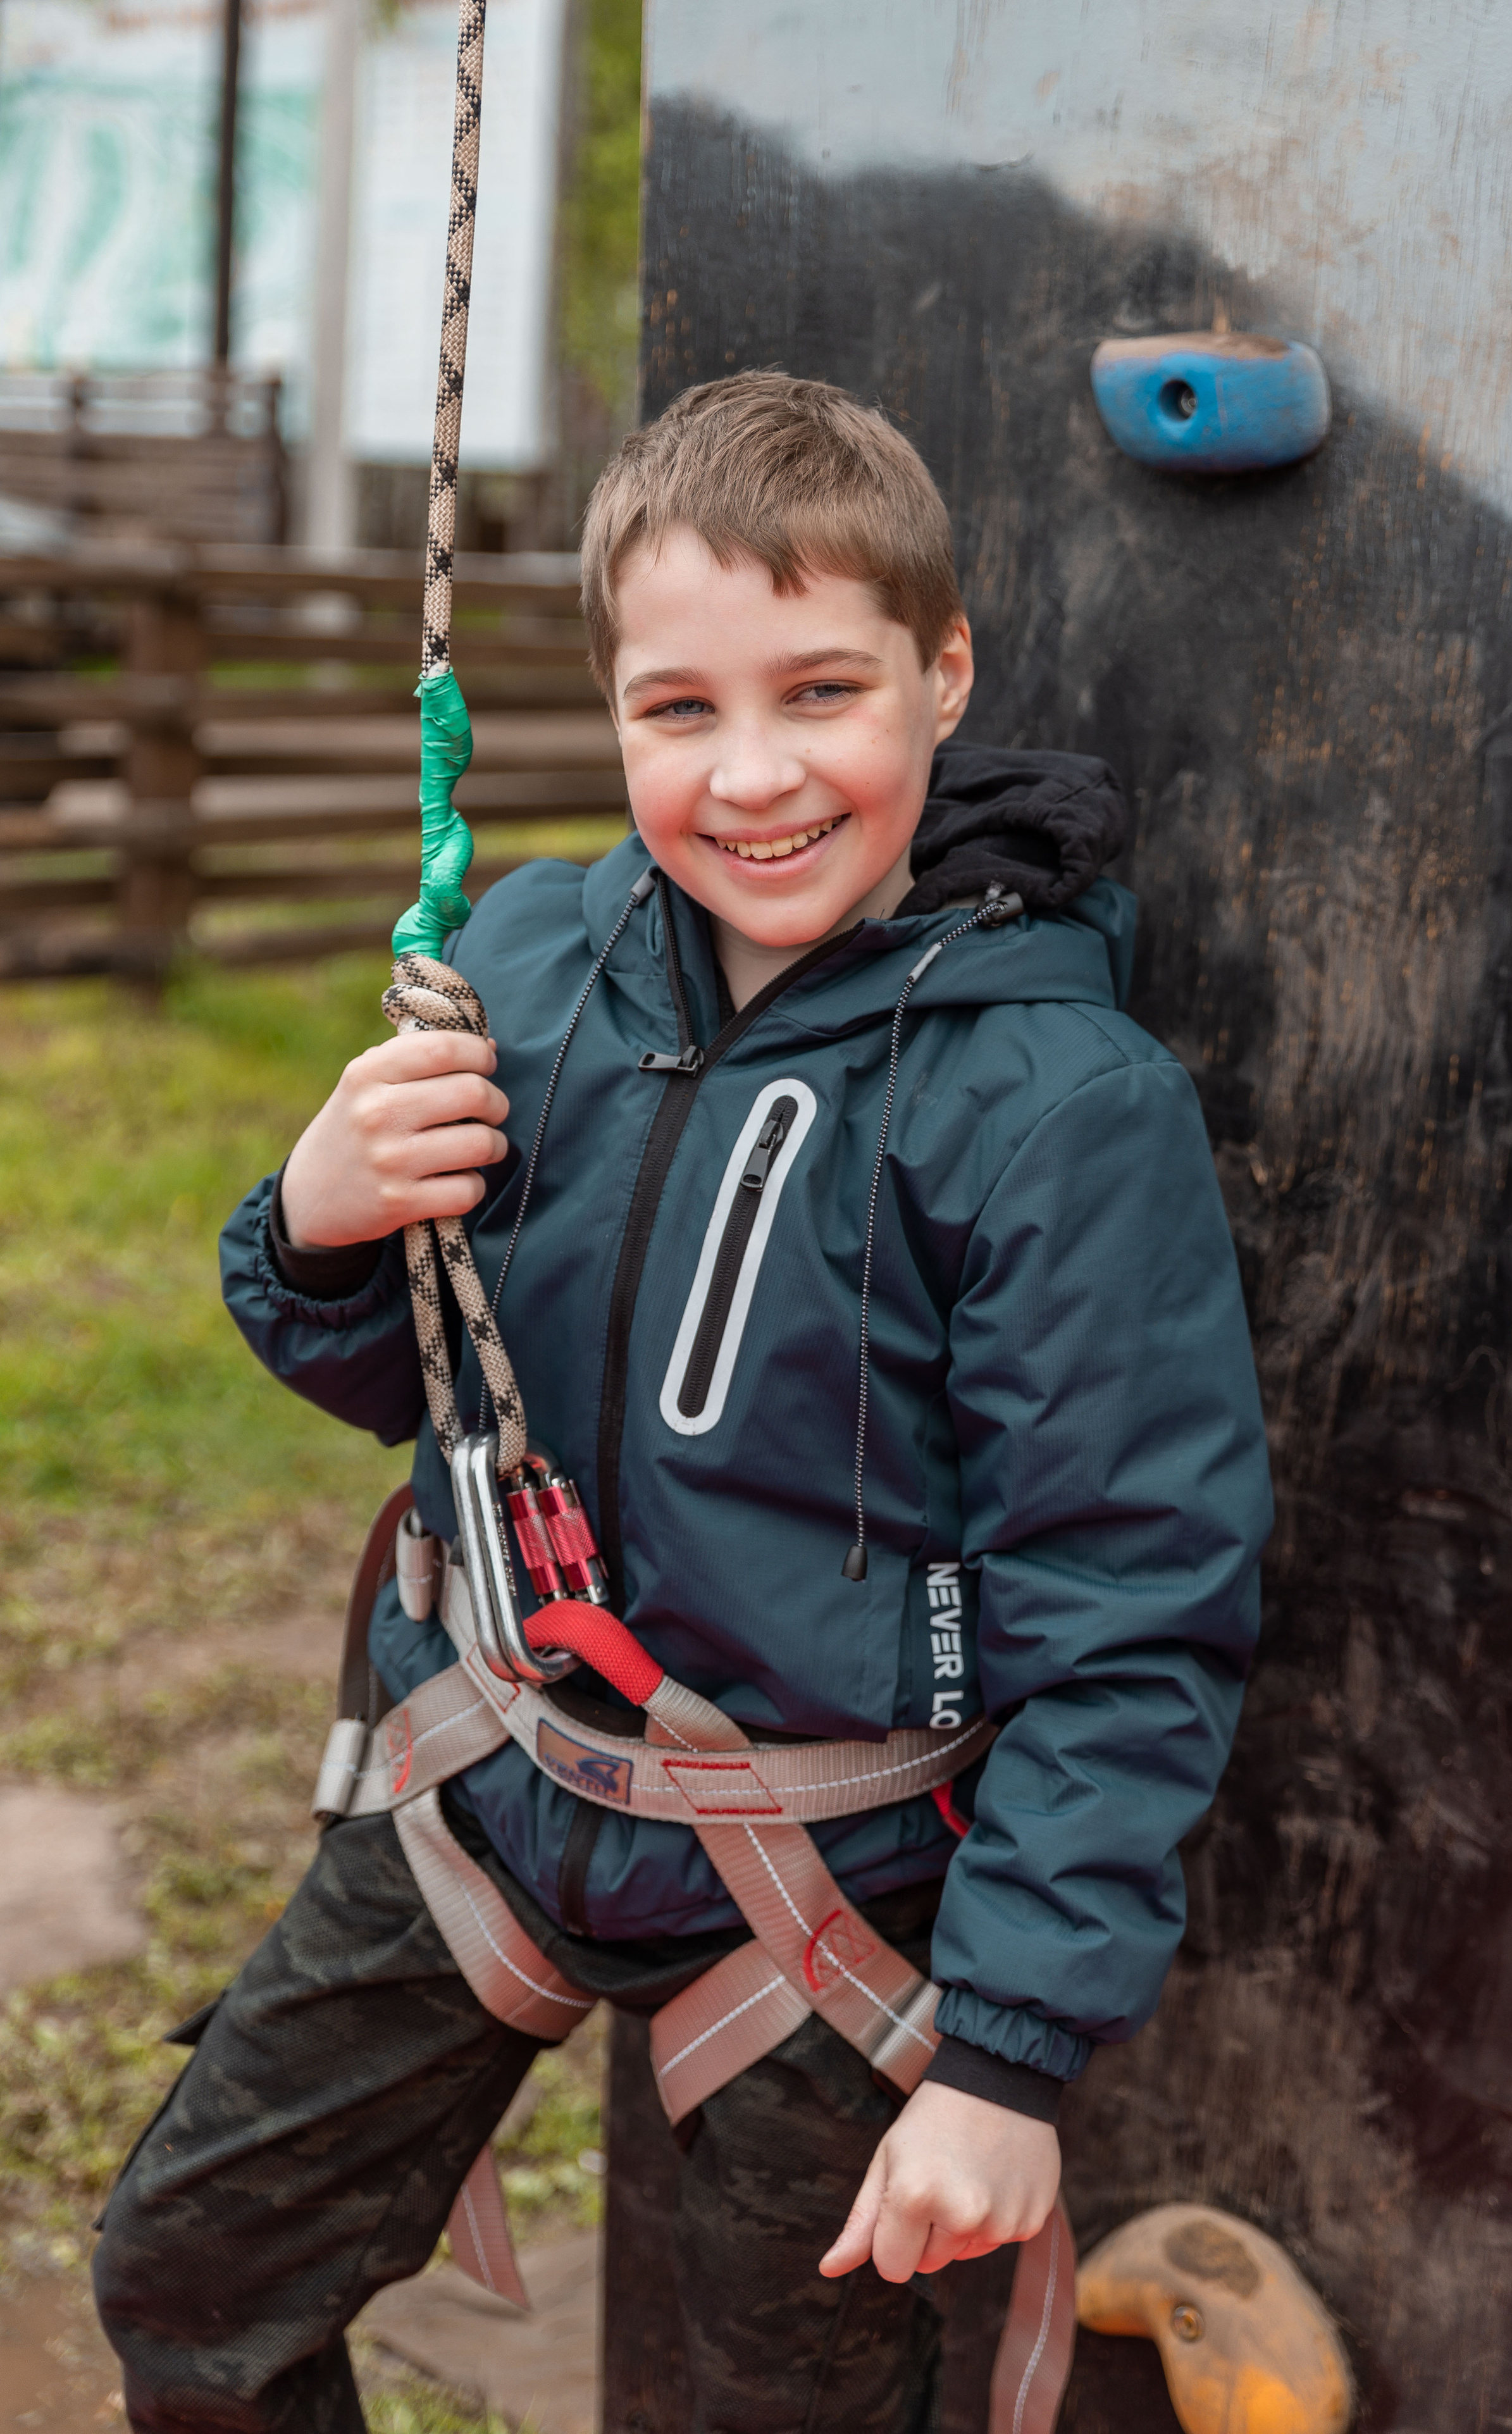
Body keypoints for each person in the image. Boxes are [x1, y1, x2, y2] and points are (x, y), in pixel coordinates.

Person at [94, 371, 1271, 2433]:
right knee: (191, 2278)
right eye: (678, 712)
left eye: (823, 693)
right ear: (612, 707)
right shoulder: (540, 960)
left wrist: (1000, 2063)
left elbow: (1131, 1609)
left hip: (836, 1887)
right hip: (498, 1790)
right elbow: (413, 1381)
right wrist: (322, 1215)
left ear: (944, 675)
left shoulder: (1058, 1109)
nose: (754, 779)